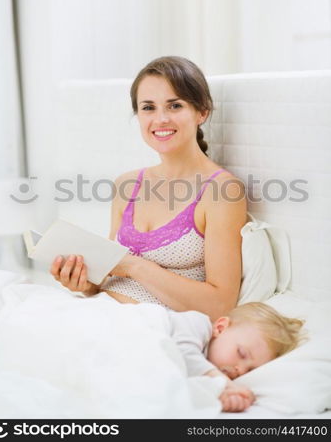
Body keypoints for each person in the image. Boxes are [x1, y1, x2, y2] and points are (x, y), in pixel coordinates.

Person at [50, 56, 247, 321]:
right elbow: (108, 273)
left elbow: (220, 306)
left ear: (202, 112)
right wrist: (83, 283)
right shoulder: (127, 185)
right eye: (148, 108)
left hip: (151, 329)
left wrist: (134, 266)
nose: (161, 119)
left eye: (175, 105)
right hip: (99, 311)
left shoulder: (222, 192)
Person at [168, 302, 305, 412]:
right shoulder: (197, 323)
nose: (241, 370)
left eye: (250, 370)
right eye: (242, 353)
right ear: (220, 328)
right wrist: (227, 384)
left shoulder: (208, 372)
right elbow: (183, 354)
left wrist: (226, 398)